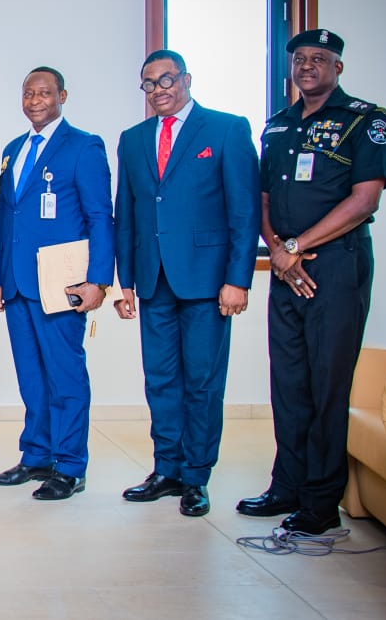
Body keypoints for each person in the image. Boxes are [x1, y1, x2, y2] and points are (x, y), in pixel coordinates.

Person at [237, 28, 386, 535]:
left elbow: (364, 201)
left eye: (318, 59)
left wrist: (296, 247)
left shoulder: (365, 120)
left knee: (327, 383)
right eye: (299, 59)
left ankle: (322, 501)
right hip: (287, 269)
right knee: (287, 382)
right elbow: (263, 200)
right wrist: (280, 253)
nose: (306, 67)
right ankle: (287, 485)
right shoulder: (278, 125)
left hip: (335, 266)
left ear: (337, 67)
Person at [113, 49, 261, 518]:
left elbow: (244, 212)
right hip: (153, 279)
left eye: (166, 80)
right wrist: (125, 280)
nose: (158, 90)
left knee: (202, 382)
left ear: (186, 79)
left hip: (207, 282)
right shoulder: (133, 139)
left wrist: (237, 279)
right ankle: (167, 469)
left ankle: (196, 476)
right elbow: (127, 214)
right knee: (160, 380)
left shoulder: (226, 129)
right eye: (149, 83)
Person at [0, 66, 113, 501]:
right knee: (31, 377)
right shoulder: (13, 150)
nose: (35, 100)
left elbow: (100, 217)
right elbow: (6, 219)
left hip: (61, 283)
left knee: (65, 377)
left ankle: (70, 465)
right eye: (28, 93)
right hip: (17, 284)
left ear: (62, 96)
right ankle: (37, 455)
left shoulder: (83, 146)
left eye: (44, 93)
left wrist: (98, 280)